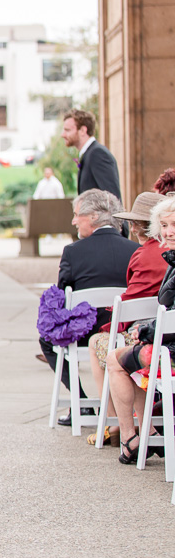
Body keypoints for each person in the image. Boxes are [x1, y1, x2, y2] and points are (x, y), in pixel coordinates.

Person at [37, 189, 138, 425]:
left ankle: (81, 403)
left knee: (46, 342)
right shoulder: (134, 251)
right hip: (125, 335)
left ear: (94, 216)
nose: (73, 221)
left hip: (86, 335)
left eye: (76, 215)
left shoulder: (73, 252)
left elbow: (62, 299)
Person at [85, 192, 167, 446]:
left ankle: (116, 425)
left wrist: (109, 326)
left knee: (101, 344)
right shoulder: (165, 254)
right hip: (163, 332)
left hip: (148, 337)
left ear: (137, 226)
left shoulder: (143, 255)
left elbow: (130, 301)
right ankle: (146, 429)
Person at [106, 195, 175, 463]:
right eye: (164, 225)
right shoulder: (169, 258)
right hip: (167, 348)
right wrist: (148, 329)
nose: (168, 231)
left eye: (174, 225)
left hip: (171, 355)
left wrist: (147, 331)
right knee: (133, 359)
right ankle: (150, 430)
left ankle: (130, 439)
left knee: (115, 359)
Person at [61, 109, 122, 200]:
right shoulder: (89, 154)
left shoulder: (97, 154)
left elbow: (113, 199)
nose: (63, 134)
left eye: (67, 130)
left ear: (82, 130)